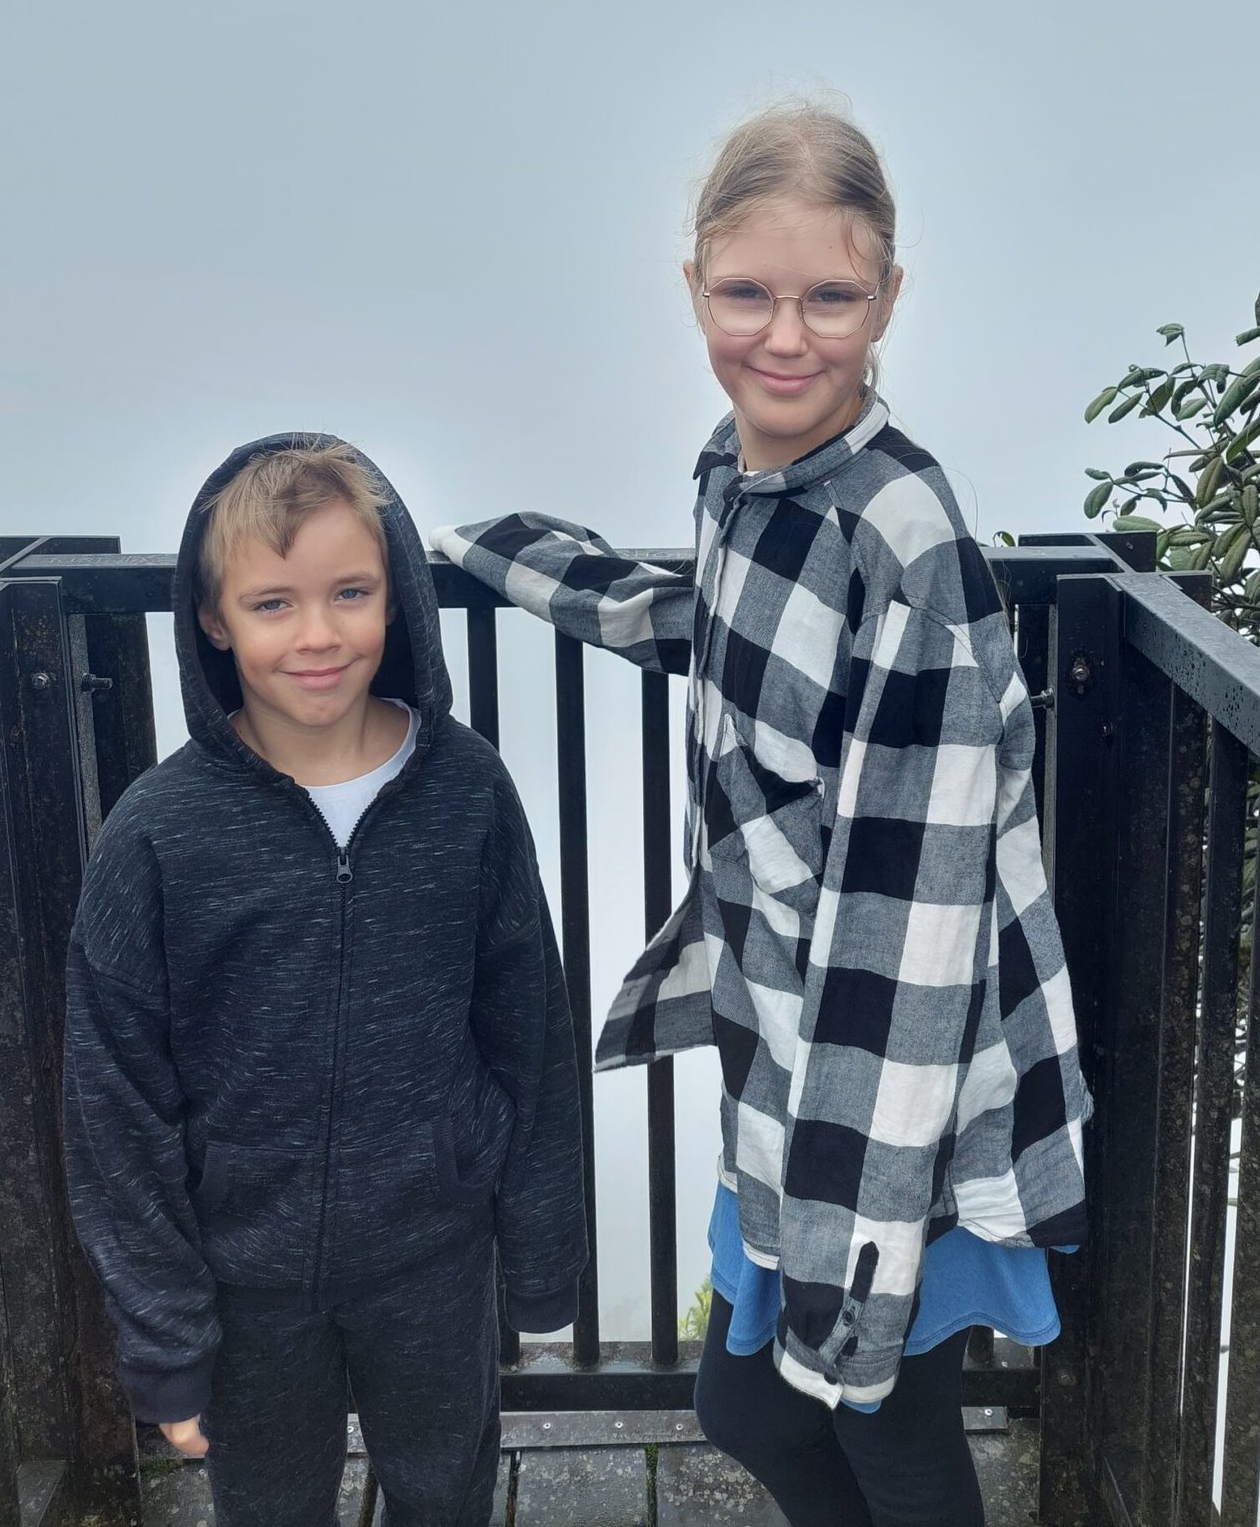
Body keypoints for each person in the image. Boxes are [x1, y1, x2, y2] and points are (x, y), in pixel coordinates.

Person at [431, 101, 1089, 1527]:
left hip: (888, 1098)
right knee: (751, 1403)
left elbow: (912, 938)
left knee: (880, 1427)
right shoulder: (746, 474)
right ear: (693, 288)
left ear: (888, 297)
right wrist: (507, 555)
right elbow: (722, 629)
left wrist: (859, 1232)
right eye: (746, 294)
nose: (784, 338)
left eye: (829, 298)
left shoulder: (906, 548)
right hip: (785, 1050)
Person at [64, 434, 586, 1527]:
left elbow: (529, 1026)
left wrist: (542, 1254)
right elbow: (114, 1105)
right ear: (213, 621)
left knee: (445, 1497)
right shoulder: (157, 833)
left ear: (396, 598)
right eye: (272, 603)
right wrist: (167, 1338)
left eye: (350, 592)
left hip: (436, 1254)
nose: (317, 634)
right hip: (242, 1278)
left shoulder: (467, 790)